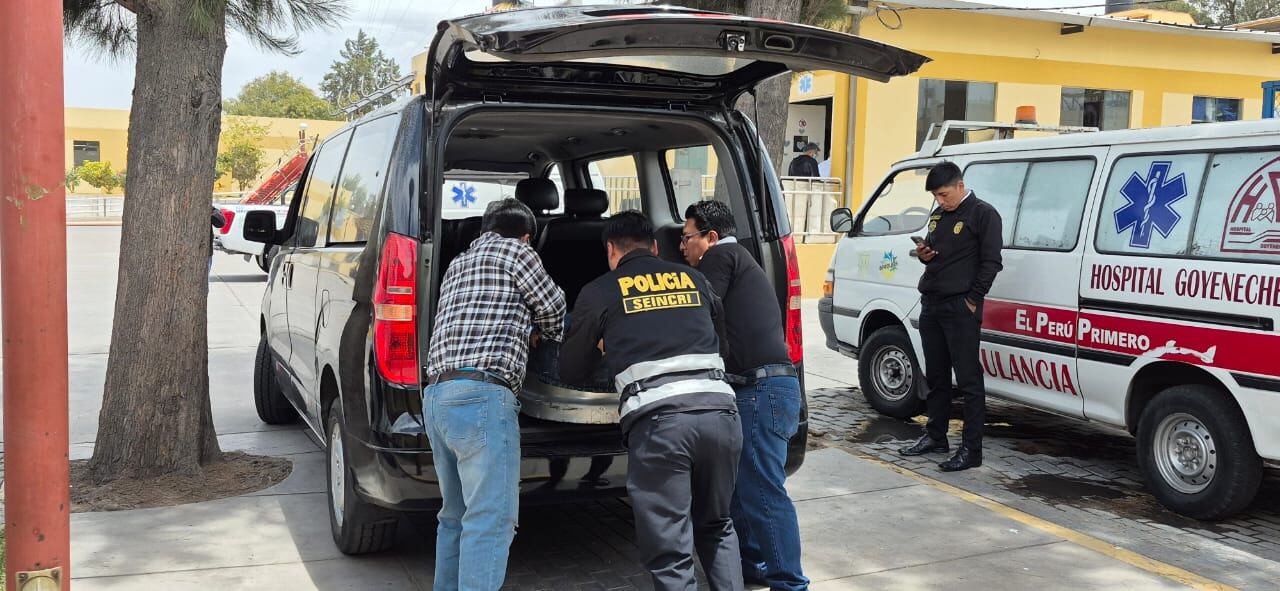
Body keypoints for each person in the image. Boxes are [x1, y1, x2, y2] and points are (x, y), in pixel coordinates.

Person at [560, 211, 743, 591]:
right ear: (656, 247)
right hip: (721, 414)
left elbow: (570, 370)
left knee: (671, 550)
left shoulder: (600, 290)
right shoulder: (696, 278)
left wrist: (604, 348)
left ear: (611, 251)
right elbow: (722, 348)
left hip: (662, 425)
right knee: (718, 525)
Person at [423, 198, 566, 591]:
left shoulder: (458, 262)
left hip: (437, 396)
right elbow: (554, 310)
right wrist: (543, 334)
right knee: (491, 518)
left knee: (454, 516)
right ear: (525, 235)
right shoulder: (519, 252)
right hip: (482, 399)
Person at [680, 200, 809, 591]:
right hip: (766, 388)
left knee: (763, 494)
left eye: (686, 238)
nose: (681, 246)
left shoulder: (722, 257)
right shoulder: (741, 259)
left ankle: (789, 582)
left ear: (711, 237)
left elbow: (696, 311)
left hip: (760, 389)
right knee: (741, 489)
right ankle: (751, 567)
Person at [899, 162, 1003, 472]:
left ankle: (972, 449)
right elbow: (937, 251)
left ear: (960, 185)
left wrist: (973, 300)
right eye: (936, 196)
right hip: (932, 303)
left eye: (944, 194)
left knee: (969, 381)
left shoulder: (983, 214)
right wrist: (924, 254)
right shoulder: (938, 215)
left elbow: (991, 262)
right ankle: (935, 436)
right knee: (937, 377)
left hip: (961, 306)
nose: (941, 201)